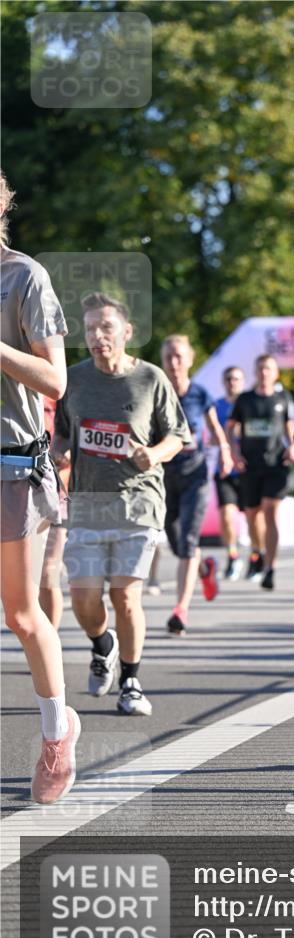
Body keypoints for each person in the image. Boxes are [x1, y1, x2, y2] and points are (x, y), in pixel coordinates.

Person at [53, 292, 190, 715]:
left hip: (138, 502)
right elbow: (61, 432)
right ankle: (102, 644)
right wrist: (58, 453)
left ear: (127, 332)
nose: (97, 336)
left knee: (125, 596)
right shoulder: (72, 380)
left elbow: (178, 434)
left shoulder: (149, 379)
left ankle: (131, 681)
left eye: (106, 328)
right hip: (88, 504)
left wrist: (156, 452)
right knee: (84, 600)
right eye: (90, 329)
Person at [0, 170, 79, 804]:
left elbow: (55, 382)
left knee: (23, 615)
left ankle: (57, 731)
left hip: (10, 465)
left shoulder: (25, 277)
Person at [160, 335, 233, 635]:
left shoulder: (200, 394)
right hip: (165, 476)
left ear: (190, 359)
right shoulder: (157, 393)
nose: (174, 363)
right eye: (168, 358)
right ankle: (205, 569)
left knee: (189, 541)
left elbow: (215, 429)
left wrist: (226, 452)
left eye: (179, 356)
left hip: (196, 475)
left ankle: (180, 610)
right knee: (176, 542)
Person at [227, 354, 294, 590]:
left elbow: (289, 427)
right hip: (249, 465)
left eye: (268, 368)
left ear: (276, 372)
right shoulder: (244, 399)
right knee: (251, 514)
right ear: (255, 373)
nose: (264, 373)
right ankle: (257, 551)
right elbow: (230, 428)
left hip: (275, 464)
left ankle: (270, 567)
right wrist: (234, 453)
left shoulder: (282, 398)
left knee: (270, 511)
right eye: (260, 369)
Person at [214, 366, 253, 580]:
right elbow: (210, 436)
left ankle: (257, 557)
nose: (232, 382)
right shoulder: (217, 406)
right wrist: (222, 441)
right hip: (225, 469)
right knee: (227, 516)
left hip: (248, 468)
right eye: (229, 378)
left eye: (237, 379)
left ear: (243, 381)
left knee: (253, 518)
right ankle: (232, 556)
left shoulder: (250, 404)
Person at [38, 395, 71, 628]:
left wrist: (64, 453)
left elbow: (73, 437)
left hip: (57, 494)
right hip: (16, 495)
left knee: (47, 573)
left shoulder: (58, 393)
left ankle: (49, 641)